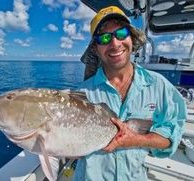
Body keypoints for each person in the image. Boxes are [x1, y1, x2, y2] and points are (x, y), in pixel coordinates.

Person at [74, 6, 187, 181]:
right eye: (104, 38)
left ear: (131, 38)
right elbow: (73, 146)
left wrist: (137, 139)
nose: (115, 43)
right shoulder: (82, 94)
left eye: (121, 33)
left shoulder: (158, 85)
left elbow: (172, 134)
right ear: (96, 49)